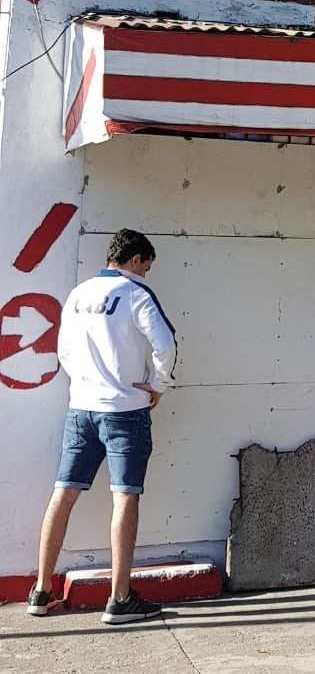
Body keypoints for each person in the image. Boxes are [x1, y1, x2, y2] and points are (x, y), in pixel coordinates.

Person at [26, 229, 177, 624]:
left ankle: (41, 591)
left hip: (81, 407)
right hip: (124, 410)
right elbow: (166, 343)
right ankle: (120, 599)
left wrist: (86, 384)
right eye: (147, 265)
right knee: (125, 497)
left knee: (64, 493)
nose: (147, 273)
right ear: (138, 260)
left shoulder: (78, 294)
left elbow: (63, 351)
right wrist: (158, 386)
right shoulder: (136, 293)